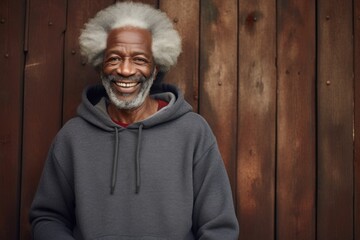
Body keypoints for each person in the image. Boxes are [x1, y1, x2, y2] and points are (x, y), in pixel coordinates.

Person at [29, 2, 239, 239]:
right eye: (115, 58)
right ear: (100, 65)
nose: (126, 70)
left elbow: (219, 227)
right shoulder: (72, 137)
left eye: (139, 59)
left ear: (155, 67)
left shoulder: (193, 132)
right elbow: (48, 218)